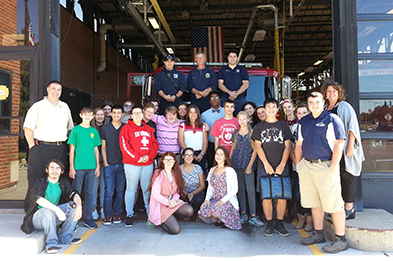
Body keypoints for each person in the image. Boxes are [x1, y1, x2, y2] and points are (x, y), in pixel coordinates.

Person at [295, 92, 348, 253]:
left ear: (323, 102)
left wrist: (333, 167)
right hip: (307, 166)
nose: (314, 105)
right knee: (314, 202)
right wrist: (299, 165)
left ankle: (341, 239)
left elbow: (339, 144)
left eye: (317, 102)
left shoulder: (332, 119)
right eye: (311, 102)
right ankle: (318, 233)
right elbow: (299, 144)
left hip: (325, 166)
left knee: (334, 204)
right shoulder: (304, 121)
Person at [23, 80, 74, 211]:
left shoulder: (65, 107)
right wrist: (32, 147)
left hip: (60, 148)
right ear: (48, 89)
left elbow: (70, 129)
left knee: (59, 181)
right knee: (36, 180)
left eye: (59, 90)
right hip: (40, 149)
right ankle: (32, 213)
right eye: (53, 89)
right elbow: (28, 128)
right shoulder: (38, 106)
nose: (56, 92)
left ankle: (57, 212)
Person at [321, 82, 365, 220]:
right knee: (334, 179)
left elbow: (352, 127)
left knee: (347, 177)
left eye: (334, 90)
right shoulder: (324, 108)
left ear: (339, 93)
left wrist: (350, 146)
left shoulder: (345, 106)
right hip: (329, 150)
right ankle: (337, 208)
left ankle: (349, 209)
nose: (331, 93)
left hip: (344, 149)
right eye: (328, 91)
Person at [21, 160, 83, 254]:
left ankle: (65, 237)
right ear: (47, 170)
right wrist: (57, 209)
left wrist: (79, 206)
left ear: (62, 171)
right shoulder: (40, 182)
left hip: (53, 217)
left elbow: (74, 193)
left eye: (58, 168)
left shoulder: (62, 182)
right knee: (47, 210)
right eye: (52, 167)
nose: (55, 170)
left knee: (73, 206)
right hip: (38, 219)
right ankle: (51, 243)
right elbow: (37, 198)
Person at [252, 98, 293, 237]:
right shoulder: (258, 127)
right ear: (264, 109)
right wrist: (266, 164)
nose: (270, 109)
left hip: (281, 164)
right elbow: (257, 146)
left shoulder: (283, 126)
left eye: (273, 107)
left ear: (277, 109)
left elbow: (288, 146)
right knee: (266, 196)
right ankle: (269, 223)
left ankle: (279, 223)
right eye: (268, 107)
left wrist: (282, 164)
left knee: (282, 196)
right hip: (265, 165)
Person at [120, 106, 159, 228]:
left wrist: (149, 156)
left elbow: (154, 145)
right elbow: (124, 146)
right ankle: (129, 215)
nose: (138, 115)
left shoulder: (149, 128)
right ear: (131, 115)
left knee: (147, 189)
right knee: (131, 189)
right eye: (135, 113)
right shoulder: (126, 128)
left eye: (139, 113)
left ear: (143, 114)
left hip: (147, 163)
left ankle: (150, 214)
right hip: (132, 163)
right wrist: (137, 157)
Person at [68, 107, 102, 229]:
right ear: (81, 115)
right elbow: (72, 149)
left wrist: (97, 166)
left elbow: (96, 149)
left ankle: (88, 218)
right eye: (85, 114)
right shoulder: (76, 130)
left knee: (89, 192)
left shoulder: (94, 131)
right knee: (75, 192)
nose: (88, 116)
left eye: (90, 115)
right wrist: (71, 167)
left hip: (91, 167)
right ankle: (73, 219)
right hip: (78, 166)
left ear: (92, 116)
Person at [230, 111, 263, 227]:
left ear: (248, 119)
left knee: (250, 189)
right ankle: (243, 212)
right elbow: (233, 148)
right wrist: (229, 163)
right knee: (241, 189)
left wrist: (250, 165)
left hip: (248, 164)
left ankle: (253, 214)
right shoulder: (235, 133)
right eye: (240, 119)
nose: (242, 121)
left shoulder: (252, 133)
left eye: (244, 119)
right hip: (236, 164)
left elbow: (255, 150)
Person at [148, 152, 194, 234]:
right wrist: (168, 203)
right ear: (163, 161)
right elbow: (156, 195)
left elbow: (177, 192)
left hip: (172, 202)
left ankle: (170, 217)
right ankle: (158, 221)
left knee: (189, 210)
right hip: (161, 205)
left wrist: (174, 200)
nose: (169, 162)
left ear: (174, 162)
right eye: (167, 160)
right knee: (175, 230)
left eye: (171, 160)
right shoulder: (159, 173)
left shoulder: (175, 174)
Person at [198, 147, 242, 230]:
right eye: (217, 154)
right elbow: (210, 187)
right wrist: (207, 199)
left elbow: (234, 189)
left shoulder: (229, 170)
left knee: (214, 212)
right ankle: (219, 219)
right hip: (215, 199)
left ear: (225, 157)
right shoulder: (212, 170)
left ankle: (223, 219)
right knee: (203, 209)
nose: (218, 156)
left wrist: (223, 201)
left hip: (227, 201)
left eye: (221, 154)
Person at [100, 105, 126, 226]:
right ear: (111, 114)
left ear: (122, 115)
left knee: (120, 190)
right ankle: (108, 214)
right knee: (109, 191)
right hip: (109, 164)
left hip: (123, 163)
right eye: (114, 113)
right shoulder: (105, 129)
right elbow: (103, 147)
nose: (116, 115)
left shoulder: (126, 128)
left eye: (118, 113)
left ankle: (117, 213)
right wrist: (105, 162)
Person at [290, 104, 313, 231]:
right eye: (299, 113)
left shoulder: (311, 126)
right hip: (297, 166)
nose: (301, 115)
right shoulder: (294, 127)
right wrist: (297, 162)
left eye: (304, 112)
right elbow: (291, 147)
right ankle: (301, 216)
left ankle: (310, 219)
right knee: (298, 193)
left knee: (309, 193)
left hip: (310, 165)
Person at [178, 105, 208, 173]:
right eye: (191, 112)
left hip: (200, 153)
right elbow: (181, 141)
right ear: (188, 114)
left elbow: (205, 142)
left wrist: (201, 154)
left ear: (198, 114)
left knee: (200, 175)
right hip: (186, 154)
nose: (193, 114)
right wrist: (189, 154)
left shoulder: (203, 126)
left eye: (195, 112)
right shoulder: (183, 125)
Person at [202, 90, 225, 171]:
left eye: (216, 97)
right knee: (211, 165)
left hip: (225, 143)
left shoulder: (226, 112)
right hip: (210, 144)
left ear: (220, 99)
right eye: (212, 98)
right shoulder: (204, 115)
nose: (214, 100)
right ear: (209, 101)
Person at [179, 148, 206, 217]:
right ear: (183, 156)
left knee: (198, 199)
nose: (189, 157)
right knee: (184, 201)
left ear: (193, 157)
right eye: (187, 155)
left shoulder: (197, 168)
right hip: (183, 193)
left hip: (197, 193)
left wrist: (192, 193)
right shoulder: (178, 169)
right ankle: (187, 215)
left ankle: (197, 214)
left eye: (191, 155)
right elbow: (177, 185)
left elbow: (202, 185)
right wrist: (186, 194)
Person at [91, 107, 106, 220]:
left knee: (104, 185)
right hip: (92, 160)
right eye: (97, 114)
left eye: (102, 114)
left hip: (105, 159)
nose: (100, 116)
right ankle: (93, 209)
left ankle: (102, 208)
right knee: (94, 186)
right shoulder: (90, 129)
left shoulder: (107, 128)